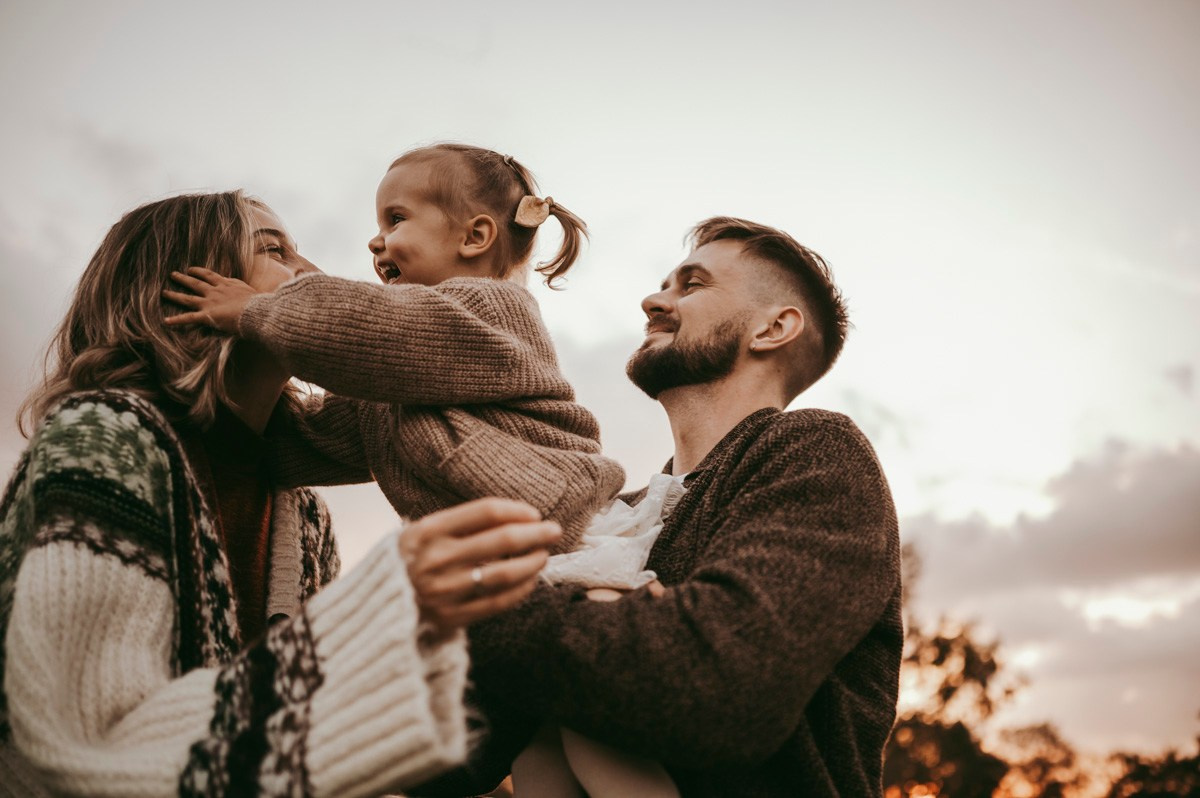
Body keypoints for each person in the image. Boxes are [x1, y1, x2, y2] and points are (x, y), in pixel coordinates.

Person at [0, 191, 561, 797]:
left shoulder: (302, 511)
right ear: (181, 290)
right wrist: (381, 610)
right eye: (275, 251)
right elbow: (89, 747)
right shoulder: (104, 440)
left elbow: (290, 750)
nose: (315, 274)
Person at [417, 217, 903, 797]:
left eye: (692, 284)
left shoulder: (816, 451)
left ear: (773, 328)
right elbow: (448, 761)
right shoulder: (614, 517)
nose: (653, 301)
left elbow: (720, 688)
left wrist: (481, 607)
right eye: (665, 284)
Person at [163, 143, 625, 555]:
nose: (375, 240)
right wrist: (213, 429)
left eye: (396, 219)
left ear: (474, 238)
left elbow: (360, 327)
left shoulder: (488, 309)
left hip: (576, 524)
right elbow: (317, 439)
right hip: (520, 550)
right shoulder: (399, 386)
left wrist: (254, 309)